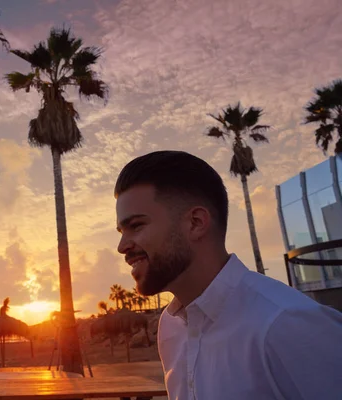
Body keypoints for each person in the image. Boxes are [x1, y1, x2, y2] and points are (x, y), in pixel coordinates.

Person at [114, 150, 342, 400]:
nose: (122, 246)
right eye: (121, 231)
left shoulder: (286, 325)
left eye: (136, 226)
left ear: (196, 223)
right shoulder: (171, 328)